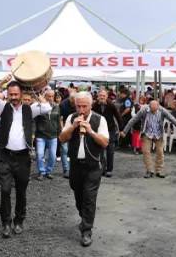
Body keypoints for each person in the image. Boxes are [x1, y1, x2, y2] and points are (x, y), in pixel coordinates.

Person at [0, 75, 51, 238]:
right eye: (11, 95)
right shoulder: (3, 107)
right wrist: (2, 83)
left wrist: (34, 91)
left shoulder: (30, 109)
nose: (13, 98)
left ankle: (19, 221)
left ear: (21, 94)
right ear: (8, 94)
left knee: (21, 191)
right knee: (5, 191)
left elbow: (47, 107)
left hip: (23, 157)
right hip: (5, 156)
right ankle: (6, 223)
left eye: (16, 94)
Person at [59, 91, 109, 247]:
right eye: (78, 106)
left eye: (84, 106)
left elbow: (105, 142)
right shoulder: (71, 118)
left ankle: (86, 231)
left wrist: (91, 132)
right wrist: (73, 127)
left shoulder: (99, 119)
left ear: (91, 104)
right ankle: (84, 217)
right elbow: (62, 138)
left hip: (93, 166)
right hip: (76, 165)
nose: (81, 110)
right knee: (78, 194)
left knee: (89, 197)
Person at [120, 100, 176, 178]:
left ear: (158, 106)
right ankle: (149, 170)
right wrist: (125, 131)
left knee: (160, 152)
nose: (153, 111)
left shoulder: (162, 110)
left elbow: (173, 120)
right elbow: (133, 120)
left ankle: (159, 170)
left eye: (155, 110)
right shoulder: (144, 110)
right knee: (146, 151)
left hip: (158, 133)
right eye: (152, 109)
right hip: (147, 133)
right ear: (149, 106)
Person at [92, 89, 122, 178]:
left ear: (106, 96)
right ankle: (102, 169)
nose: (102, 97)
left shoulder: (111, 105)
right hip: (99, 130)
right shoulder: (94, 105)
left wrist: (121, 129)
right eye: (100, 95)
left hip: (110, 129)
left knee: (110, 150)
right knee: (100, 150)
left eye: (103, 96)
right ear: (98, 96)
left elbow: (118, 116)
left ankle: (109, 170)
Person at [34, 89, 61, 181]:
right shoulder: (39, 106)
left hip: (53, 135)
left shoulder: (57, 106)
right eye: (48, 96)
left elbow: (58, 120)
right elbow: (35, 121)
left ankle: (48, 171)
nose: (50, 98)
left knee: (53, 155)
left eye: (52, 96)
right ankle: (41, 171)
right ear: (44, 97)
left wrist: (59, 133)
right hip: (41, 135)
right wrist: (35, 133)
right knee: (40, 154)